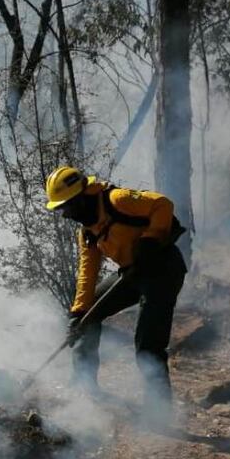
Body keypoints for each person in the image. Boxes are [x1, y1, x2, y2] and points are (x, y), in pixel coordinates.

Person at [44, 165, 187, 416]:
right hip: (132, 273)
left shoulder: (116, 200)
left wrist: (151, 240)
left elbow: (163, 204)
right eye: (60, 209)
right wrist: (79, 313)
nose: (65, 214)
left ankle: (160, 409)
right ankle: (83, 383)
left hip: (163, 270)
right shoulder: (88, 231)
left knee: (148, 344)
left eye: (66, 206)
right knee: (88, 317)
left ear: (81, 198)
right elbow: (87, 271)